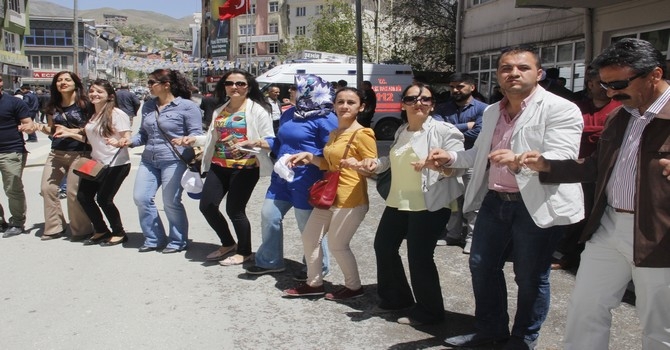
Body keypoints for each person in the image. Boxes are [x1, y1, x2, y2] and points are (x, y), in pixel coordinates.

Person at [425, 47, 584, 348]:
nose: (513, 73)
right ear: (498, 76)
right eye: (505, 68)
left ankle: (523, 339)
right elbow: (479, 154)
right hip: (496, 200)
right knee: (481, 265)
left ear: (538, 74)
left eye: (522, 68)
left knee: (530, 276)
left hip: (536, 203)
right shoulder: (492, 110)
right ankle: (491, 330)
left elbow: (562, 157)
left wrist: (521, 160)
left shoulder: (561, 108)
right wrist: (450, 157)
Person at [520, 38, 670, 350]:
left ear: (655, 75)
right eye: (605, 84)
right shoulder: (621, 116)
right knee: (585, 308)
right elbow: (595, 167)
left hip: (660, 235)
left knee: (661, 323)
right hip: (609, 228)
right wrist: (547, 165)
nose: (611, 93)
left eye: (618, 84)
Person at [363, 82, 465, 325]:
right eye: (412, 99)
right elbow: (394, 158)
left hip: (429, 203)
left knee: (419, 256)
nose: (418, 103)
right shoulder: (402, 130)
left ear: (432, 105)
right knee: (384, 246)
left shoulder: (445, 131)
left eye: (425, 99)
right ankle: (396, 298)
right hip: (399, 200)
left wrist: (440, 165)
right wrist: (375, 164)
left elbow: (460, 164)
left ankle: (430, 312)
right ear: (403, 104)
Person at [282, 87, 377, 299]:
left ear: (361, 107)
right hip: (329, 195)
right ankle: (314, 284)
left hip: (351, 198)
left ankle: (354, 288)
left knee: (337, 245)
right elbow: (329, 164)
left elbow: (373, 167)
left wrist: (359, 165)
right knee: (309, 238)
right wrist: (310, 157)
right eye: (340, 102)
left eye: (350, 102)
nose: (344, 106)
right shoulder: (335, 133)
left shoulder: (363, 134)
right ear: (333, 105)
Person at [175, 69, 274, 265]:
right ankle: (228, 243)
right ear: (224, 87)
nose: (234, 87)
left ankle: (245, 251)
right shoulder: (221, 110)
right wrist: (194, 140)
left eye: (240, 84)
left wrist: (252, 142)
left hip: (245, 167)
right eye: (230, 83)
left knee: (235, 210)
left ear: (248, 87)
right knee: (207, 206)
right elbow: (213, 138)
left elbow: (270, 140)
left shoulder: (257, 110)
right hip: (219, 165)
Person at [243, 74, 337, 279]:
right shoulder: (290, 113)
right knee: (269, 215)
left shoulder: (326, 118)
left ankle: (317, 267)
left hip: (307, 179)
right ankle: (270, 261)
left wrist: (311, 158)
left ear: (310, 92)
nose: (291, 92)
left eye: (296, 88)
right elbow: (279, 142)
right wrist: (260, 143)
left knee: (308, 226)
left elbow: (333, 152)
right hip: (282, 177)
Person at [119, 69, 202, 253]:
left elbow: (197, 132)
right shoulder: (148, 105)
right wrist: (130, 142)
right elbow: (143, 134)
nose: (148, 86)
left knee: (170, 201)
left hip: (174, 160)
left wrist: (188, 139)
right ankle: (153, 238)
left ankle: (177, 240)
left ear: (166, 85)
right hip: (149, 159)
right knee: (141, 197)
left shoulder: (187, 106)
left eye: (151, 83)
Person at [550, 66, 621, 270]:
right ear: (590, 84)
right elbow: (565, 131)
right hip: (573, 169)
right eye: (601, 82)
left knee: (594, 215)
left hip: (606, 171)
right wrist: (597, 132)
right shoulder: (576, 107)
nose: (605, 87)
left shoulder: (620, 108)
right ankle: (565, 254)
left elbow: (611, 136)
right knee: (571, 213)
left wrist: (587, 132)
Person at [55, 79, 131, 247]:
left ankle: (119, 233)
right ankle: (101, 230)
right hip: (96, 163)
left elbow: (127, 137)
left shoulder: (117, 114)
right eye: (92, 91)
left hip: (116, 164)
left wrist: (120, 142)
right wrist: (68, 133)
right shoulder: (93, 114)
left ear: (109, 96)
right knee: (83, 196)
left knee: (104, 199)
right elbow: (89, 139)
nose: (94, 94)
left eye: (99, 92)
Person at [35, 71, 93, 241]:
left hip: (81, 153)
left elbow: (92, 129)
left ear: (76, 83)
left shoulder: (85, 105)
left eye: (67, 79)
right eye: (59, 80)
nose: (63, 82)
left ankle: (81, 229)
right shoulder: (53, 105)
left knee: (73, 192)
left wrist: (70, 132)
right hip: (56, 152)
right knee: (47, 189)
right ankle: (54, 227)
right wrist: (37, 127)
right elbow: (52, 129)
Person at [434, 72, 487, 253]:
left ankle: (473, 238)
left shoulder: (483, 109)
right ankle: (453, 234)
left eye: (460, 86)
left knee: (473, 200)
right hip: (449, 160)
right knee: (453, 199)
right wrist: (468, 125)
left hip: (474, 160)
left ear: (472, 87)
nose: (455, 90)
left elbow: (480, 133)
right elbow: (438, 129)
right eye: (452, 87)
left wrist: (453, 131)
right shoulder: (442, 108)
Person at [0, 76, 37, 237]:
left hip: (11, 151)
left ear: (1, 82)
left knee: (12, 188)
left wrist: (28, 128)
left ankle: (17, 222)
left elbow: (28, 123)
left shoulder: (14, 102)